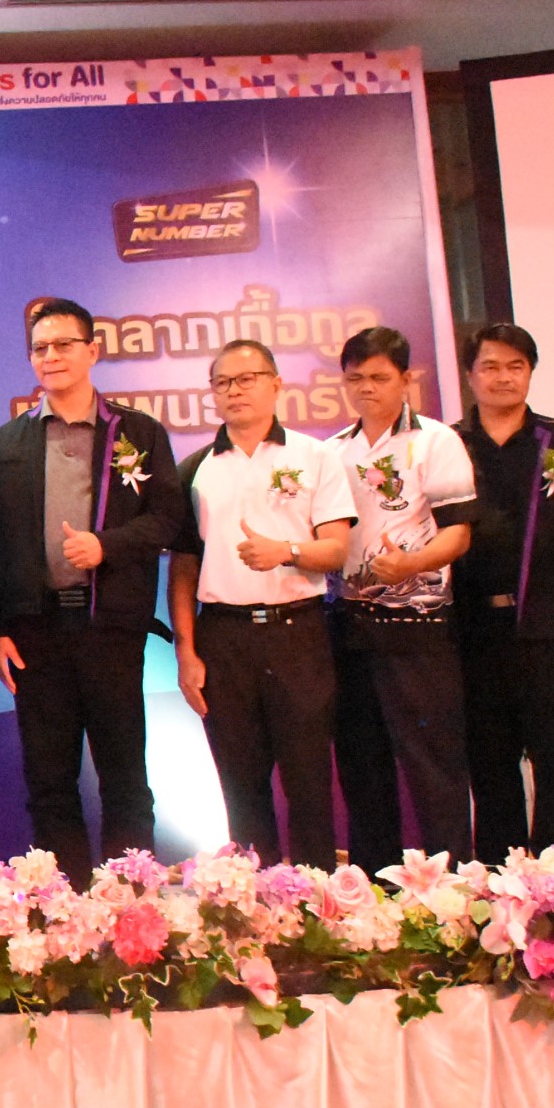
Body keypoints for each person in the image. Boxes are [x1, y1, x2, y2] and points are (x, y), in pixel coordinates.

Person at [0, 299, 184, 879]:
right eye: (40, 348)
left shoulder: (137, 432)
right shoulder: (9, 441)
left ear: (92, 350)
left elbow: (168, 519)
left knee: (125, 777)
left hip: (109, 629)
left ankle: (130, 903)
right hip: (35, 633)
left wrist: (105, 545)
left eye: (64, 344)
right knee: (48, 783)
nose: (51, 356)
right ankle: (62, 908)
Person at [168, 341, 356, 868]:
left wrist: (286, 552)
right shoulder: (195, 468)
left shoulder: (314, 456)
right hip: (223, 636)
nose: (235, 390)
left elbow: (336, 549)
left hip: (298, 632)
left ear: (276, 384)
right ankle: (254, 896)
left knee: (309, 780)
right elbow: (183, 567)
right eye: (223, 382)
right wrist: (186, 652)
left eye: (247, 378)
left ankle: (314, 896)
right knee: (241, 783)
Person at [324, 328, 478, 874]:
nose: (366, 388)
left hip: (418, 623)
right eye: (355, 378)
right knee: (362, 767)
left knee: (434, 765)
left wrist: (412, 564)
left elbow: (459, 533)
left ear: (406, 379)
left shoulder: (436, 441)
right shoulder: (331, 451)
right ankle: (375, 893)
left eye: (379, 377)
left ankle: (452, 892)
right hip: (348, 623)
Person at [454, 324, 554, 856]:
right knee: (490, 766)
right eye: (491, 366)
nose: (503, 377)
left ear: (530, 373)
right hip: (473, 633)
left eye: (515, 366)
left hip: (553, 634)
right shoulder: (445, 443)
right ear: (470, 374)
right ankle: (498, 885)